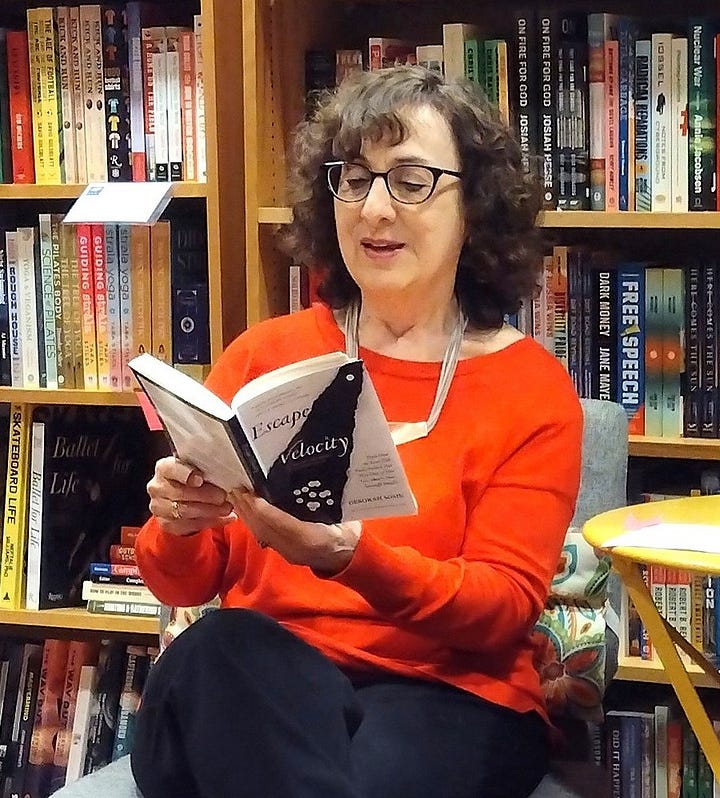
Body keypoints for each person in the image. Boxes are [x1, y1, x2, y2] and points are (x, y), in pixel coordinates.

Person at [130, 65, 583, 798]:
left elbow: (500, 611)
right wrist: (177, 525)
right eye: (354, 179)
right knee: (218, 649)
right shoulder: (264, 356)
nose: (373, 209)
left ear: (476, 207)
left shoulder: (531, 387)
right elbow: (181, 579)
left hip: (448, 690)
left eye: (410, 181)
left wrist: (349, 557)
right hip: (263, 680)